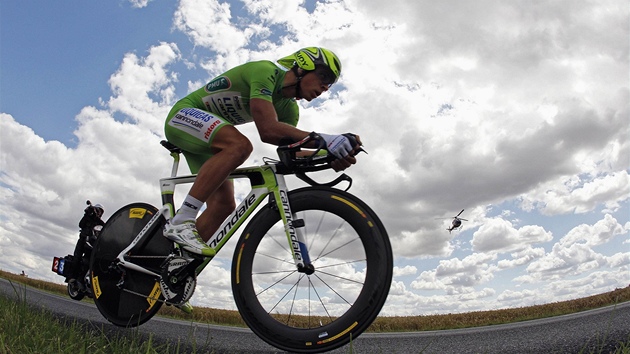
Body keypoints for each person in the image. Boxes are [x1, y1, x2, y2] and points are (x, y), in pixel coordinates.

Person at [163, 47, 362, 256]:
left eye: (329, 84)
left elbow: (290, 152)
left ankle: (173, 263)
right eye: (324, 76)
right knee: (239, 146)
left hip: (208, 140)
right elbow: (267, 130)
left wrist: (329, 156)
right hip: (183, 117)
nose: (325, 87)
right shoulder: (265, 71)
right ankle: (182, 221)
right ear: (304, 66)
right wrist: (325, 140)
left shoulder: (289, 110)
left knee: (223, 206)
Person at [68, 202, 105, 284]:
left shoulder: (100, 222)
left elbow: (105, 229)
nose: (99, 212)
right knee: (76, 258)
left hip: (92, 243)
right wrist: (86, 214)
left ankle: (84, 279)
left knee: (91, 261)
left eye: (101, 211)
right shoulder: (88, 217)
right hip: (82, 240)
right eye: (98, 210)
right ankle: (71, 278)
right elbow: (81, 225)